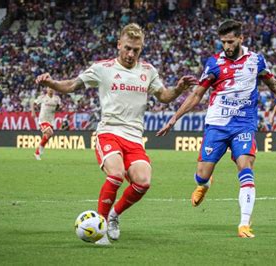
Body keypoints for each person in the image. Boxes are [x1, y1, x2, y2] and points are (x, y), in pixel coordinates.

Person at [35, 23, 197, 245]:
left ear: (141, 49)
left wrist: (178, 89)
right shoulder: (103, 68)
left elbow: (164, 96)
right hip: (109, 133)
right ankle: (100, 227)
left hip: (134, 137)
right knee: (116, 173)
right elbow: (72, 85)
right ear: (119, 45)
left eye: (136, 50)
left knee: (143, 181)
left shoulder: (148, 71)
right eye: (128, 48)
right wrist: (51, 82)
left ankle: (113, 215)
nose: (131, 54)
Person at [156, 20, 276, 238]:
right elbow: (196, 95)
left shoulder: (256, 60)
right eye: (223, 42)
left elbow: (274, 84)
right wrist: (174, 118)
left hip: (244, 125)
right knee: (201, 175)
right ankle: (205, 184)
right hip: (217, 125)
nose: (227, 46)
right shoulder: (213, 63)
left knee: (246, 166)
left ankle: (244, 224)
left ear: (241, 38)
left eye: (230, 41)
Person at [31, 87, 61, 160]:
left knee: (47, 136)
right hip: (43, 119)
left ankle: (37, 153)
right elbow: (33, 103)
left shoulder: (57, 98)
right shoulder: (42, 97)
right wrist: (33, 112)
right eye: (49, 88)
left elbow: (58, 107)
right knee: (50, 133)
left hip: (51, 120)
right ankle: (41, 149)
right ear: (47, 90)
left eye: (52, 88)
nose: (51, 90)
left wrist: (57, 109)